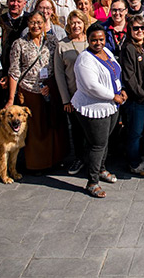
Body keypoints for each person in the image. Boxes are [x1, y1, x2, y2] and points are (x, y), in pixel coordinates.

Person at [7, 10, 67, 172]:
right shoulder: (19, 44)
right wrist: (11, 99)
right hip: (29, 89)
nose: (36, 26)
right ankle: (36, 164)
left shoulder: (52, 42)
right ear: (28, 24)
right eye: (33, 22)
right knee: (34, 128)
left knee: (52, 125)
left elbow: (58, 66)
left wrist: (53, 85)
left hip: (50, 88)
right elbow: (14, 71)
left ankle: (54, 160)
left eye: (39, 22)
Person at [71, 23, 126, 198]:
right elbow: (91, 86)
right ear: (88, 40)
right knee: (97, 144)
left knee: (105, 140)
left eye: (101, 39)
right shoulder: (84, 60)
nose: (98, 43)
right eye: (94, 40)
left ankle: (102, 169)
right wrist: (113, 96)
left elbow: (116, 72)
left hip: (111, 105)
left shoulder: (107, 52)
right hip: (94, 107)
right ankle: (92, 181)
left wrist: (122, 89)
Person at [120, 14, 144, 177]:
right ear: (130, 30)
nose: (140, 31)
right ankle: (134, 164)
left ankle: (143, 158)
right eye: (136, 28)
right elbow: (129, 77)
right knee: (135, 133)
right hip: (138, 99)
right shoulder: (128, 48)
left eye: (143, 28)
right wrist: (142, 95)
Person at [54, 10, 89, 176]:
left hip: (91, 96)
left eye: (79, 22)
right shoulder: (62, 45)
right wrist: (65, 100)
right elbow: (59, 74)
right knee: (76, 129)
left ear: (84, 23)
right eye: (73, 22)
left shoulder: (92, 42)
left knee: (91, 130)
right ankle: (79, 158)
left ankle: (93, 160)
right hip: (73, 96)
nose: (76, 25)